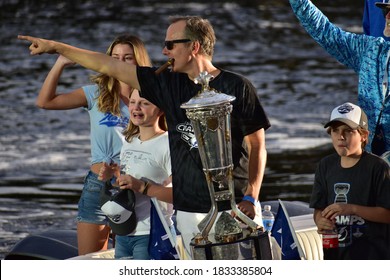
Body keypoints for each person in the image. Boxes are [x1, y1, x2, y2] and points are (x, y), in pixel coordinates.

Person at [18, 15, 271, 259]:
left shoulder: (239, 87)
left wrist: (251, 196)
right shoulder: (167, 84)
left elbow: (257, 146)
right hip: (188, 212)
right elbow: (107, 65)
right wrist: (56, 47)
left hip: (237, 207)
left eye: (170, 44)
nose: (164, 52)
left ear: (194, 46)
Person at [33, 34, 152, 255]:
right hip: (98, 186)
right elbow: (44, 102)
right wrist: (60, 64)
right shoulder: (96, 94)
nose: (119, 62)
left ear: (139, 61)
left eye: (127, 58)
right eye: (115, 57)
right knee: (89, 262)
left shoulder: (152, 98)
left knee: (130, 259)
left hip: (137, 187)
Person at [288, 0, 390, 161]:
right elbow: (325, 32)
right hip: (370, 165)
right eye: (385, 12)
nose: (387, 16)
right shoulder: (371, 50)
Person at [98, 89, 175, 259]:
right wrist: (115, 175)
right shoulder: (129, 141)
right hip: (123, 232)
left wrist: (141, 186)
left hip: (152, 234)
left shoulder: (169, 144)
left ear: (161, 110)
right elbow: (129, 184)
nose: (136, 107)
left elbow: (181, 195)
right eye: (133, 102)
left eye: (145, 103)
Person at [310, 102, 390, 260]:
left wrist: (352, 209)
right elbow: (319, 209)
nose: (340, 136)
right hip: (335, 256)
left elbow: (387, 214)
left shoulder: (378, 167)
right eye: (335, 130)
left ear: (364, 136)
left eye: (348, 131)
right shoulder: (325, 166)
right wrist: (320, 221)